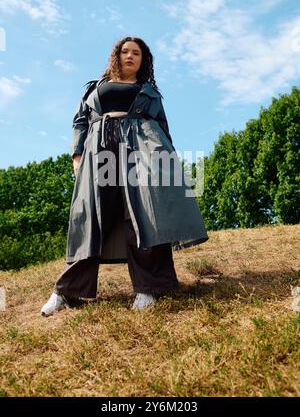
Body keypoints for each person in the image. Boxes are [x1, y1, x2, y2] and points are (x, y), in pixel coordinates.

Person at [41, 36, 208, 316]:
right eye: (125, 51)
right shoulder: (95, 88)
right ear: (115, 55)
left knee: (141, 216)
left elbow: (163, 129)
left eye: (137, 54)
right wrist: (77, 154)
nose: (130, 56)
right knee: (92, 217)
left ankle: (147, 288)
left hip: (142, 151)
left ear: (144, 61)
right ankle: (65, 291)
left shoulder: (149, 93)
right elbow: (80, 122)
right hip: (100, 150)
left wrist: (166, 165)